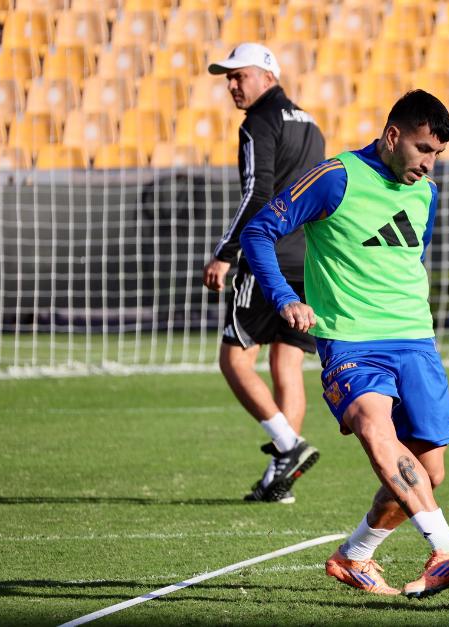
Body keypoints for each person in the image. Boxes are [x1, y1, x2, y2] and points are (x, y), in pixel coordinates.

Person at [240, 90, 449, 598]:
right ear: (393, 136)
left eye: (437, 154)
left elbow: (410, 260)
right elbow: (259, 231)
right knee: (374, 426)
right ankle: (447, 549)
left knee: (428, 471)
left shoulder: (425, 193)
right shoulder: (336, 177)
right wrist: (284, 298)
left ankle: (355, 556)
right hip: (350, 342)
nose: (428, 164)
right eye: (422, 149)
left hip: (415, 339)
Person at [202, 43, 324, 504]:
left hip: (266, 257)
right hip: (307, 260)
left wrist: (225, 252)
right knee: (286, 366)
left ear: (268, 76)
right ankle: (281, 481)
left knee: (234, 361)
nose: (232, 85)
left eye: (240, 76)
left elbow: (258, 194)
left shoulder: (258, 122)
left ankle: (288, 445)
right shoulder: (310, 122)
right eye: (228, 78)